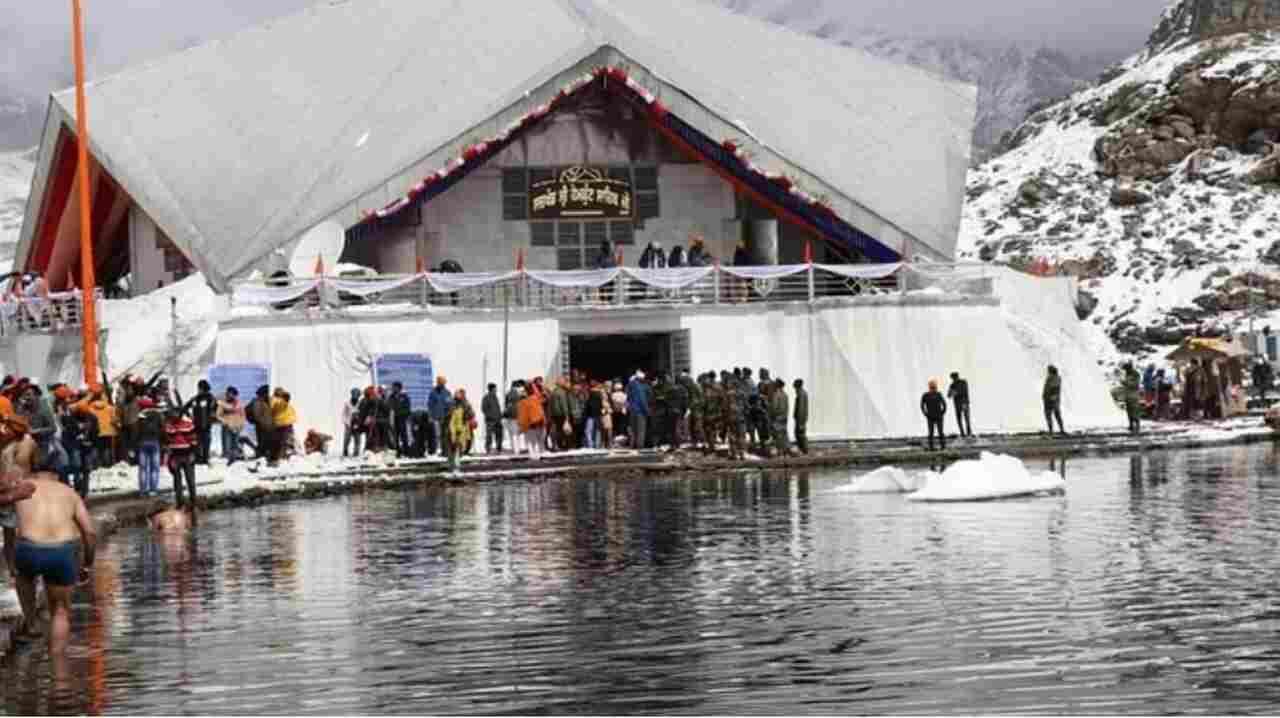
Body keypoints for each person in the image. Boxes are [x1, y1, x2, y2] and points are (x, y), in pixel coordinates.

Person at [10, 434, 97, 656]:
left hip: (29, 549)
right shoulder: (69, 493)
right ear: (58, 469)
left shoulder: (21, 488)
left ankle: (31, 623)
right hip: (62, 551)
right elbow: (89, 532)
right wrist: (87, 563)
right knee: (60, 611)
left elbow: (9, 523)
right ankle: (58, 665)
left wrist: (11, 558)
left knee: (22, 576)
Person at [163, 407, 198, 517]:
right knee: (177, 481)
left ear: (180, 414)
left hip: (187, 455)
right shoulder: (169, 426)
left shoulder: (188, 425)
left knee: (190, 480)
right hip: (175, 457)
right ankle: (180, 503)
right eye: (173, 413)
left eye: (176, 413)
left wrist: (192, 454)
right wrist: (169, 458)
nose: (174, 415)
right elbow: (167, 442)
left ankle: (193, 502)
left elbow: (194, 440)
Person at [135, 397, 164, 496]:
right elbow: (162, 429)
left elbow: (136, 431)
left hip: (143, 442)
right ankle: (153, 490)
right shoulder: (158, 415)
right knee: (154, 467)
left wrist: (135, 442)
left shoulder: (140, 416)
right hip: (155, 442)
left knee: (143, 468)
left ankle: (143, 490)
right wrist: (163, 441)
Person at [185, 380, 218, 465]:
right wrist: (189, 415)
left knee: (206, 442)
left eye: (200, 388)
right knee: (197, 442)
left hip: (206, 425)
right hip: (196, 425)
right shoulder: (195, 398)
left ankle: (205, 458)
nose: (198, 390)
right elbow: (185, 407)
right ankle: (198, 458)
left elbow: (216, 409)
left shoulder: (211, 398)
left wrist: (212, 417)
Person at [446, 389, 475, 471]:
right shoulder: (453, 406)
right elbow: (451, 420)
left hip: (461, 430)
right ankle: (453, 466)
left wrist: (469, 417)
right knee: (454, 448)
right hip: (455, 430)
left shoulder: (465, 404)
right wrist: (453, 431)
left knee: (459, 448)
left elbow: (470, 414)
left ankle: (455, 465)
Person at [216, 386, 246, 464]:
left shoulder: (239, 403)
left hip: (237, 427)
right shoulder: (222, 403)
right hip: (227, 427)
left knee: (235, 444)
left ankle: (235, 459)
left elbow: (243, 415)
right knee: (227, 446)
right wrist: (225, 422)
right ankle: (226, 459)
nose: (231, 396)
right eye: (229, 394)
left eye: (233, 394)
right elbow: (218, 415)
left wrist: (242, 424)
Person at [517, 386, 546, 461]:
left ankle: (533, 456)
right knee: (539, 441)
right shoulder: (537, 399)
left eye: (523, 391)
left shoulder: (523, 402)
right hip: (540, 423)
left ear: (526, 392)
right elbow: (541, 411)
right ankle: (540, 455)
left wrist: (522, 427)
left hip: (530, 425)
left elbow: (523, 416)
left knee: (531, 442)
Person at [427, 376, 453, 457]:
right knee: (436, 434)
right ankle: (435, 450)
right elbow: (430, 405)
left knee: (444, 435)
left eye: (442, 383)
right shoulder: (433, 392)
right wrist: (430, 416)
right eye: (439, 382)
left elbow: (450, 405)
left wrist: (447, 415)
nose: (440, 384)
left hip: (445, 417)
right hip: (435, 417)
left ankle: (444, 451)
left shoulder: (447, 393)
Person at [249, 385, 276, 462]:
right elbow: (258, 415)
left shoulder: (264, 401)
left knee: (265, 442)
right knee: (263, 442)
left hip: (265, 426)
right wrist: (264, 423)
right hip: (262, 426)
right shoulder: (258, 402)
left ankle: (263, 455)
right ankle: (262, 455)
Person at [626, 371, 652, 450]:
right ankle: (640, 446)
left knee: (633, 429)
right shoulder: (641, 386)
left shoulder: (630, 386)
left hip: (632, 410)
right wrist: (647, 410)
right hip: (640, 411)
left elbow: (628, 399)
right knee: (641, 429)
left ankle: (632, 445)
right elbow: (642, 399)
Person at [271, 389, 298, 461]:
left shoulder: (276, 401)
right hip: (284, 424)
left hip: (282, 424)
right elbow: (281, 406)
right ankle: (281, 457)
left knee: (282, 442)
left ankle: (283, 456)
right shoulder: (278, 401)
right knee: (284, 442)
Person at [921, 379, 948, 451]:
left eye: (934, 387)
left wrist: (942, 413)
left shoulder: (938, 394)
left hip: (938, 416)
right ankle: (931, 447)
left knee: (940, 432)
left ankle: (943, 446)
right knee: (931, 433)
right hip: (931, 416)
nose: (933, 388)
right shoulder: (925, 395)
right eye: (932, 387)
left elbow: (944, 404)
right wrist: (925, 414)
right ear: (929, 387)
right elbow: (922, 406)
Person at [388, 382, 412, 457]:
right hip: (394, 418)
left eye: (394, 387)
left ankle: (406, 451)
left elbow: (408, 407)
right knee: (395, 436)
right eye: (393, 387)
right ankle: (397, 452)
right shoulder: (391, 397)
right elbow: (389, 406)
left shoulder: (404, 396)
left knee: (404, 435)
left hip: (402, 418)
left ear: (399, 388)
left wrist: (404, 415)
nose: (393, 388)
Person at [768, 379, 790, 457]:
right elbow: (787, 407)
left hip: (776, 418)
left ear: (777, 386)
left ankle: (780, 454)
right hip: (784, 418)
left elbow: (774, 408)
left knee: (777, 437)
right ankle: (785, 453)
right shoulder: (785, 395)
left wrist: (770, 411)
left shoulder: (776, 395)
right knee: (784, 436)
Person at [947, 372, 972, 438]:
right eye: (953, 378)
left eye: (954, 378)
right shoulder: (952, 385)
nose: (953, 379)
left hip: (964, 403)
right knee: (960, 419)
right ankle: (962, 433)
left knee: (966, 418)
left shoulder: (963, 382)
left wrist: (954, 392)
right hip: (958, 404)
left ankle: (968, 433)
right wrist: (954, 393)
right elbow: (949, 395)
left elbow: (964, 391)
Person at [482, 383, 504, 454]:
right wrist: (490, 416)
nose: (496, 390)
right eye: (495, 388)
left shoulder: (495, 397)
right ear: (492, 389)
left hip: (498, 420)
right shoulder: (486, 397)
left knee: (499, 434)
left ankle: (499, 448)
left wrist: (500, 415)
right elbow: (484, 409)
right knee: (489, 435)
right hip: (490, 420)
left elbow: (497, 408)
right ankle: (488, 448)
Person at [1043, 365, 1065, 435]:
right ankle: (1060, 430)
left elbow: (1051, 388)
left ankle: (1052, 431)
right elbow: (1056, 389)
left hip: (1050, 399)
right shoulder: (1057, 378)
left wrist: (1047, 397)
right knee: (1056, 415)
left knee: (1049, 415)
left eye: (1048, 370)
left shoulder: (1051, 378)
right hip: (1054, 399)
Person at [341, 388, 363, 458]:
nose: (355, 397)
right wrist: (346, 423)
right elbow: (343, 414)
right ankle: (345, 451)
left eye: (357, 395)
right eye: (354, 395)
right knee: (347, 439)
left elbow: (362, 413)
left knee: (357, 439)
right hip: (349, 424)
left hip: (357, 424)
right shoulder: (347, 403)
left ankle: (356, 452)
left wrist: (360, 421)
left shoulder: (360, 403)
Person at [503, 381, 524, 455]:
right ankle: (517, 450)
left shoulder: (508, 394)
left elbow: (506, 405)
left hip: (510, 416)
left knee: (512, 434)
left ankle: (514, 449)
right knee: (516, 434)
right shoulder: (519, 394)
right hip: (517, 415)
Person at [1122, 362, 1142, 434]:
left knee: (1135, 411)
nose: (1125, 371)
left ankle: (1137, 425)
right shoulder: (1127, 374)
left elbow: (1136, 384)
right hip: (1128, 395)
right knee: (1129, 411)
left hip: (1134, 396)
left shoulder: (1136, 374)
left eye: (1126, 369)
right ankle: (1131, 425)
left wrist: (1126, 383)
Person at [793, 378, 809, 455]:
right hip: (801, 419)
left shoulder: (801, 394)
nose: (793, 385)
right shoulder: (801, 393)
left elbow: (801, 409)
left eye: (794, 384)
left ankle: (804, 450)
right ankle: (803, 450)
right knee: (800, 434)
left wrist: (800, 422)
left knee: (800, 435)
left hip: (800, 419)